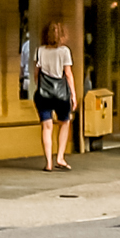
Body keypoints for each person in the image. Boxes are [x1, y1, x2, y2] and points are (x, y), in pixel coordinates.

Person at [33, 20, 77, 172]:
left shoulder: (39, 51)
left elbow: (36, 74)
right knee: (64, 122)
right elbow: (68, 74)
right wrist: (73, 95)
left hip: (43, 93)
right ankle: (60, 157)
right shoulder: (64, 51)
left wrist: (40, 86)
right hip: (61, 94)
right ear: (62, 35)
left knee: (47, 127)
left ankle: (48, 163)